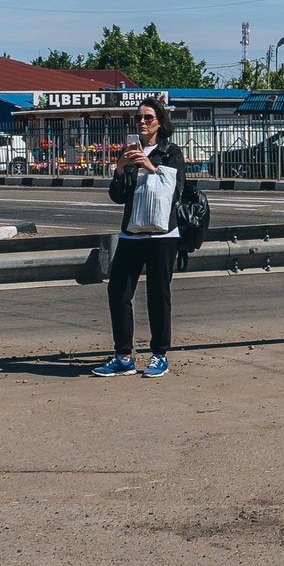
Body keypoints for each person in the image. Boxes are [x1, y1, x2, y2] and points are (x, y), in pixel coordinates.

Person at [94, 99, 187, 379]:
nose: (142, 123)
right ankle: (123, 356)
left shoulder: (170, 152)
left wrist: (150, 166)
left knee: (159, 294)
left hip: (162, 234)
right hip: (131, 233)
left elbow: (176, 191)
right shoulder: (128, 153)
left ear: (160, 120)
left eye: (148, 117)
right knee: (118, 291)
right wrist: (121, 168)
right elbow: (118, 196)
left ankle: (159, 354)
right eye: (138, 119)